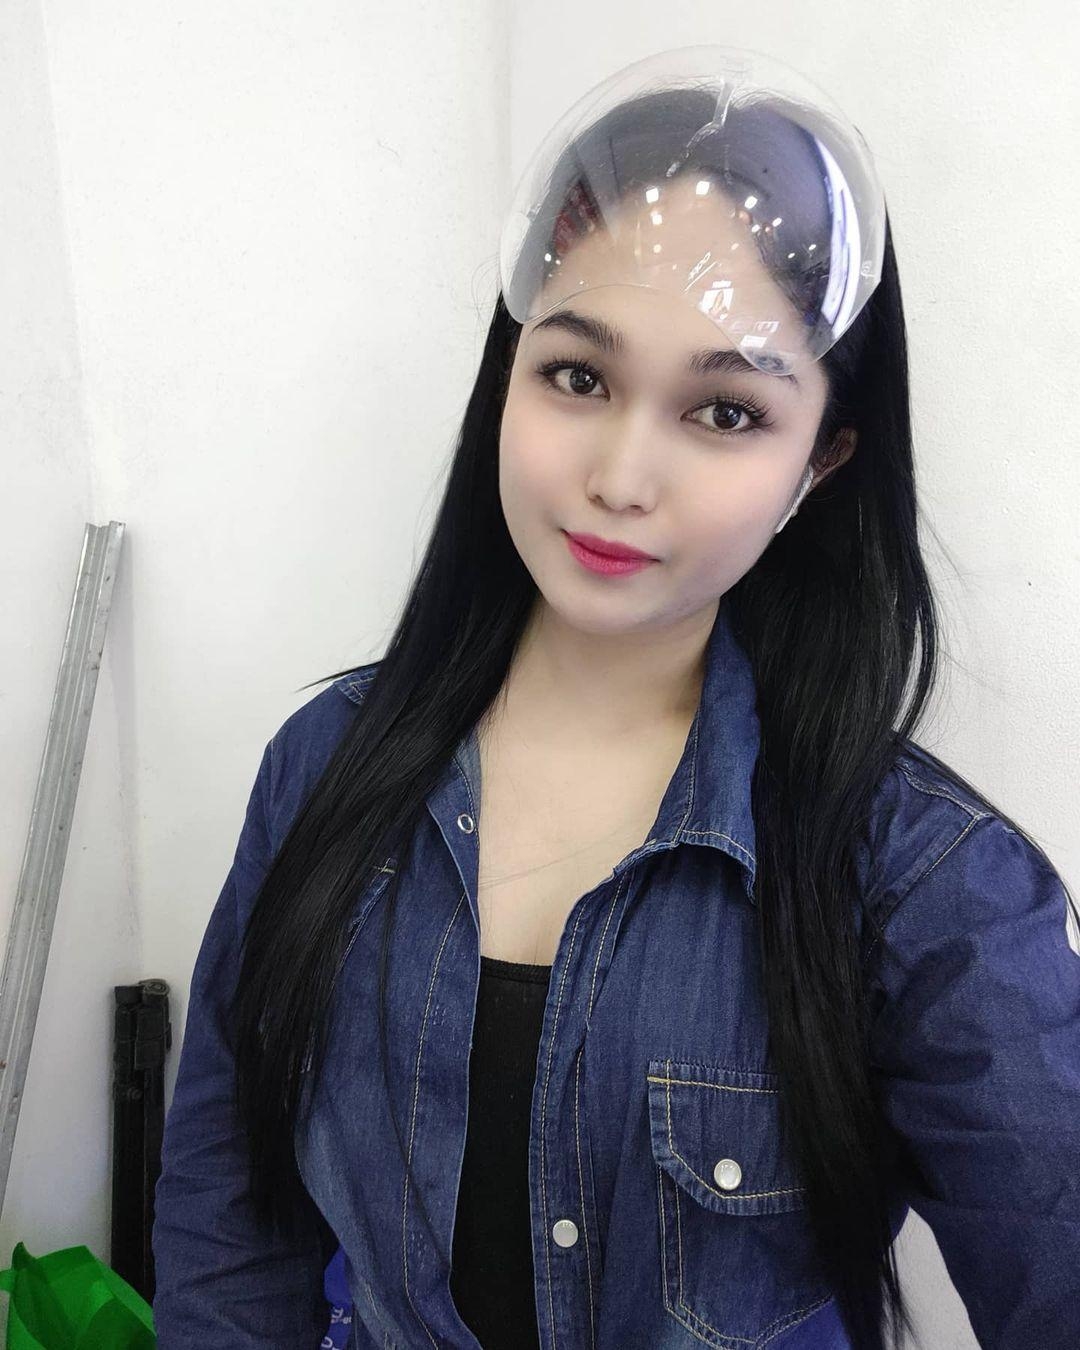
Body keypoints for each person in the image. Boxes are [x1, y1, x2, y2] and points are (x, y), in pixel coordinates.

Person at [151, 46, 1080, 1350]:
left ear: (821, 462)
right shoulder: (324, 767)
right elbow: (231, 1238)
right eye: (578, 377)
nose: (622, 478)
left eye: (725, 412)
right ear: (510, 371)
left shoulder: (925, 880)